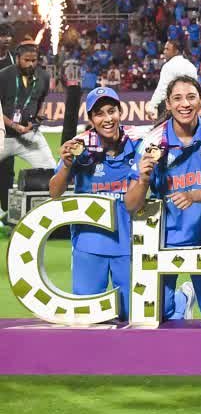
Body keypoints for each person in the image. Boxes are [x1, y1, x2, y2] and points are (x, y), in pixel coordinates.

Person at [125, 77, 201, 320]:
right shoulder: (152, 142)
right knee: (159, 312)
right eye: (177, 98)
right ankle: (184, 298)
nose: (185, 104)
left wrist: (193, 195)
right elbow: (131, 204)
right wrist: (143, 180)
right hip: (165, 239)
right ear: (168, 104)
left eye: (191, 97)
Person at [48, 87, 141, 320]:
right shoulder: (79, 146)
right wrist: (66, 165)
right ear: (91, 119)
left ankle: (181, 299)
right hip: (89, 242)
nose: (107, 119)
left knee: (132, 315)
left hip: (128, 241)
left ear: (120, 112)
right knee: (88, 317)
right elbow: (54, 192)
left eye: (111, 111)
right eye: (99, 114)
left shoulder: (137, 143)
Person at [0, 42, 54, 216]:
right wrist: (14, 125)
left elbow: (41, 100)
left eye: (34, 60)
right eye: (26, 60)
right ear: (17, 59)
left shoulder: (43, 76)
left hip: (29, 136)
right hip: (3, 135)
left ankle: (51, 215)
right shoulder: (4, 76)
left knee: (52, 172)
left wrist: (38, 117)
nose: (31, 64)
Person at [148, 39, 199, 120]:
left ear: (176, 51)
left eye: (167, 49)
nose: (164, 52)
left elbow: (162, 89)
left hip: (170, 108)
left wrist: (152, 106)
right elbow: (196, 89)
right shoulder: (191, 66)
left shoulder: (168, 66)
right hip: (189, 107)